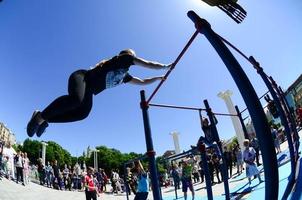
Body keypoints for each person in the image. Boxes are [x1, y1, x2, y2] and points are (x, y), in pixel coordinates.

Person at [26, 49, 172, 137]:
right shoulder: (122, 59)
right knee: (76, 100)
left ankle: (46, 120)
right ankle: (39, 117)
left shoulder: (125, 77)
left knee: (82, 114)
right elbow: (147, 63)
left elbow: (142, 81)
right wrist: (164, 66)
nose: (133, 62)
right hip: (82, 77)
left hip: (89, 91)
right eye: (132, 58)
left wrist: (158, 78)